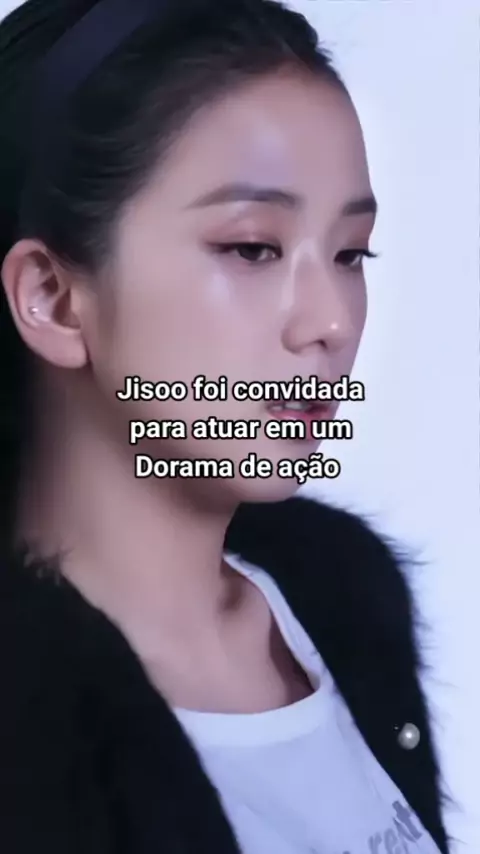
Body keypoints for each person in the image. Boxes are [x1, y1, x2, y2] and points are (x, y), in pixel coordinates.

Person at [0, 0, 450, 852]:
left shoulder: (341, 610)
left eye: (351, 253)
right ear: (53, 299)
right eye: (252, 248)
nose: (331, 322)